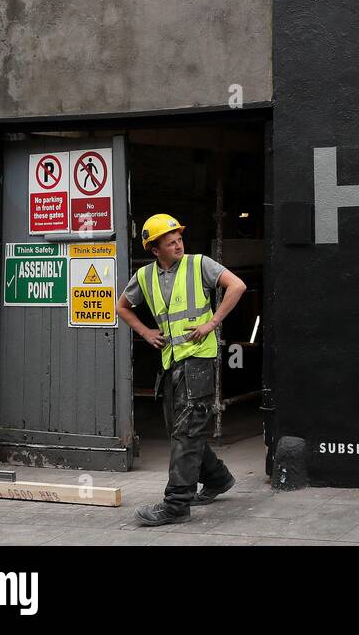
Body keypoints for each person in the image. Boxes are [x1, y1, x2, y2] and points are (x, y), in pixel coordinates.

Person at [116, 213, 248, 525]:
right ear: (154, 249)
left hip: (199, 361)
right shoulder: (145, 277)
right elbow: (121, 306)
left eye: (179, 239)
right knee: (181, 431)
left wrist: (212, 323)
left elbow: (237, 286)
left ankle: (176, 504)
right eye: (170, 242)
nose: (178, 245)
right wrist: (146, 332)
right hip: (171, 363)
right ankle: (217, 478)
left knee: (187, 433)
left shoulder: (198, 263)